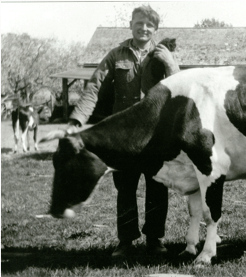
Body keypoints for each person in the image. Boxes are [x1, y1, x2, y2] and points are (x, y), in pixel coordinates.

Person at [67, 5, 180, 258]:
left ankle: (154, 240)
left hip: (154, 135)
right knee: (125, 188)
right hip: (124, 136)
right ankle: (126, 242)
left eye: (149, 25)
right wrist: (77, 120)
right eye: (139, 23)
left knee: (157, 186)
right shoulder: (116, 54)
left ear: (156, 29)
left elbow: (179, 87)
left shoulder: (163, 54)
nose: (144, 28)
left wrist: (171, 64)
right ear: (131, 24)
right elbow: (94, 88)